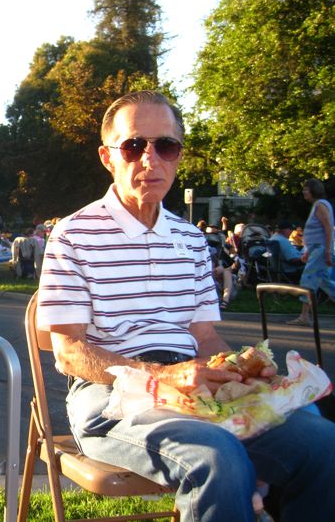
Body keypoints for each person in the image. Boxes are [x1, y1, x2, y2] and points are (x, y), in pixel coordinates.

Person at [37, 90, 335, 522]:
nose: (149, 159)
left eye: (166, 146)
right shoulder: (73, 235)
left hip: (196, 389)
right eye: (134, 145)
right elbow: (68, 352)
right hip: (110, 397)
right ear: (108, 156)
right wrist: (162, 375)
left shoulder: (191, 239)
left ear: (178, 156)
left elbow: (205, 338)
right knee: (218, 459)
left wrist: (239, 368)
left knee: (322, 443)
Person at [288, 178, 335, 326]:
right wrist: (308, 251)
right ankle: (304, 315)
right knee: (324, 281)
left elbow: (327, 228)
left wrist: (327, 251)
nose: (304, 192)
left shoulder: (320, 205)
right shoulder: (317, 205)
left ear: (314, 190)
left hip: (321, 249)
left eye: (306, 189)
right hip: (317, 249)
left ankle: (304, 316)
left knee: (308, 279)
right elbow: (317, 232)